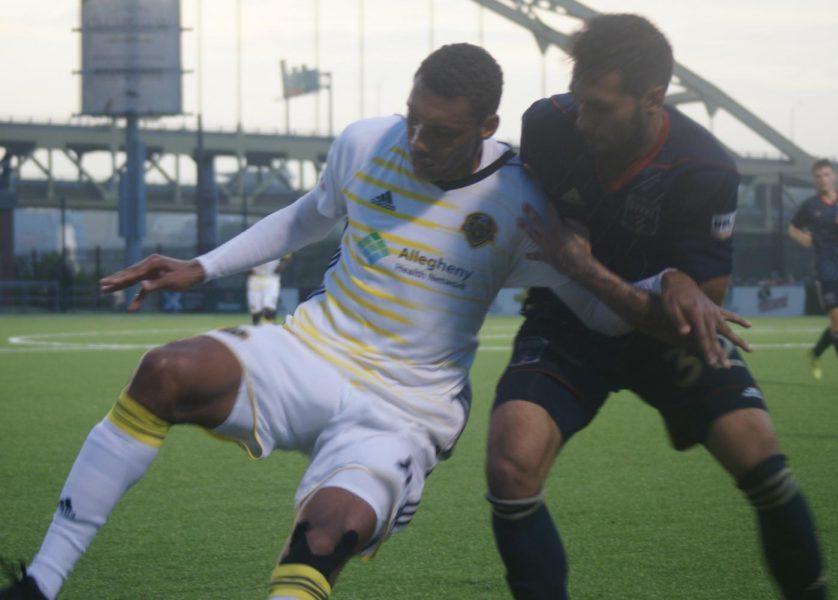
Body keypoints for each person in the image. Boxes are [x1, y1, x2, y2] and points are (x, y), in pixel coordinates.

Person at [0, 44, 741, 600]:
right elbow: (309, 216)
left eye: (441, 133)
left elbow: (598, 312)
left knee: (326, 532)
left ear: (485, 127)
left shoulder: (525, 206)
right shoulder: (365, 141)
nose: (417, 143)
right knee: (163, 371)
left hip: (406, 405)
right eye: (413, 121)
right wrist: (202, 266)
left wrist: (669, 283)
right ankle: (39, 583)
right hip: (312, 350)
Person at [486, 15, 827, 600]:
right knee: (510, 464)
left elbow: (693, 316)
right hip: (566, 318)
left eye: (600, 107)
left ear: (653, 98)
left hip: (661, 335)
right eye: (580, 100)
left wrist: (639, 274)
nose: (583, 120)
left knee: (761, 456)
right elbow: (539, 203)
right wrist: (574, 233)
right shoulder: (549, 122)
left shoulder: (707, 167)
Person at [788, 159, 838, 389]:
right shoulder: (809, 205)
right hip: (826, 269)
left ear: (834, 176)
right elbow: (792, 228)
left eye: (826, 174)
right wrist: (801, 237)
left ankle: (814, 353)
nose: (823, 179)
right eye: (818, 176)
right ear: (815, 180)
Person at [248, 254, 292, 325]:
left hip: (271, 278)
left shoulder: (278, 243)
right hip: (255, 278)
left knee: (269, 307)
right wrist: (247, 268)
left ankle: (269, 328)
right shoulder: (250, 245)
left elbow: (287, 257)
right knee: (256, 310)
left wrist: (279, 268)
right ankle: (255, 328)